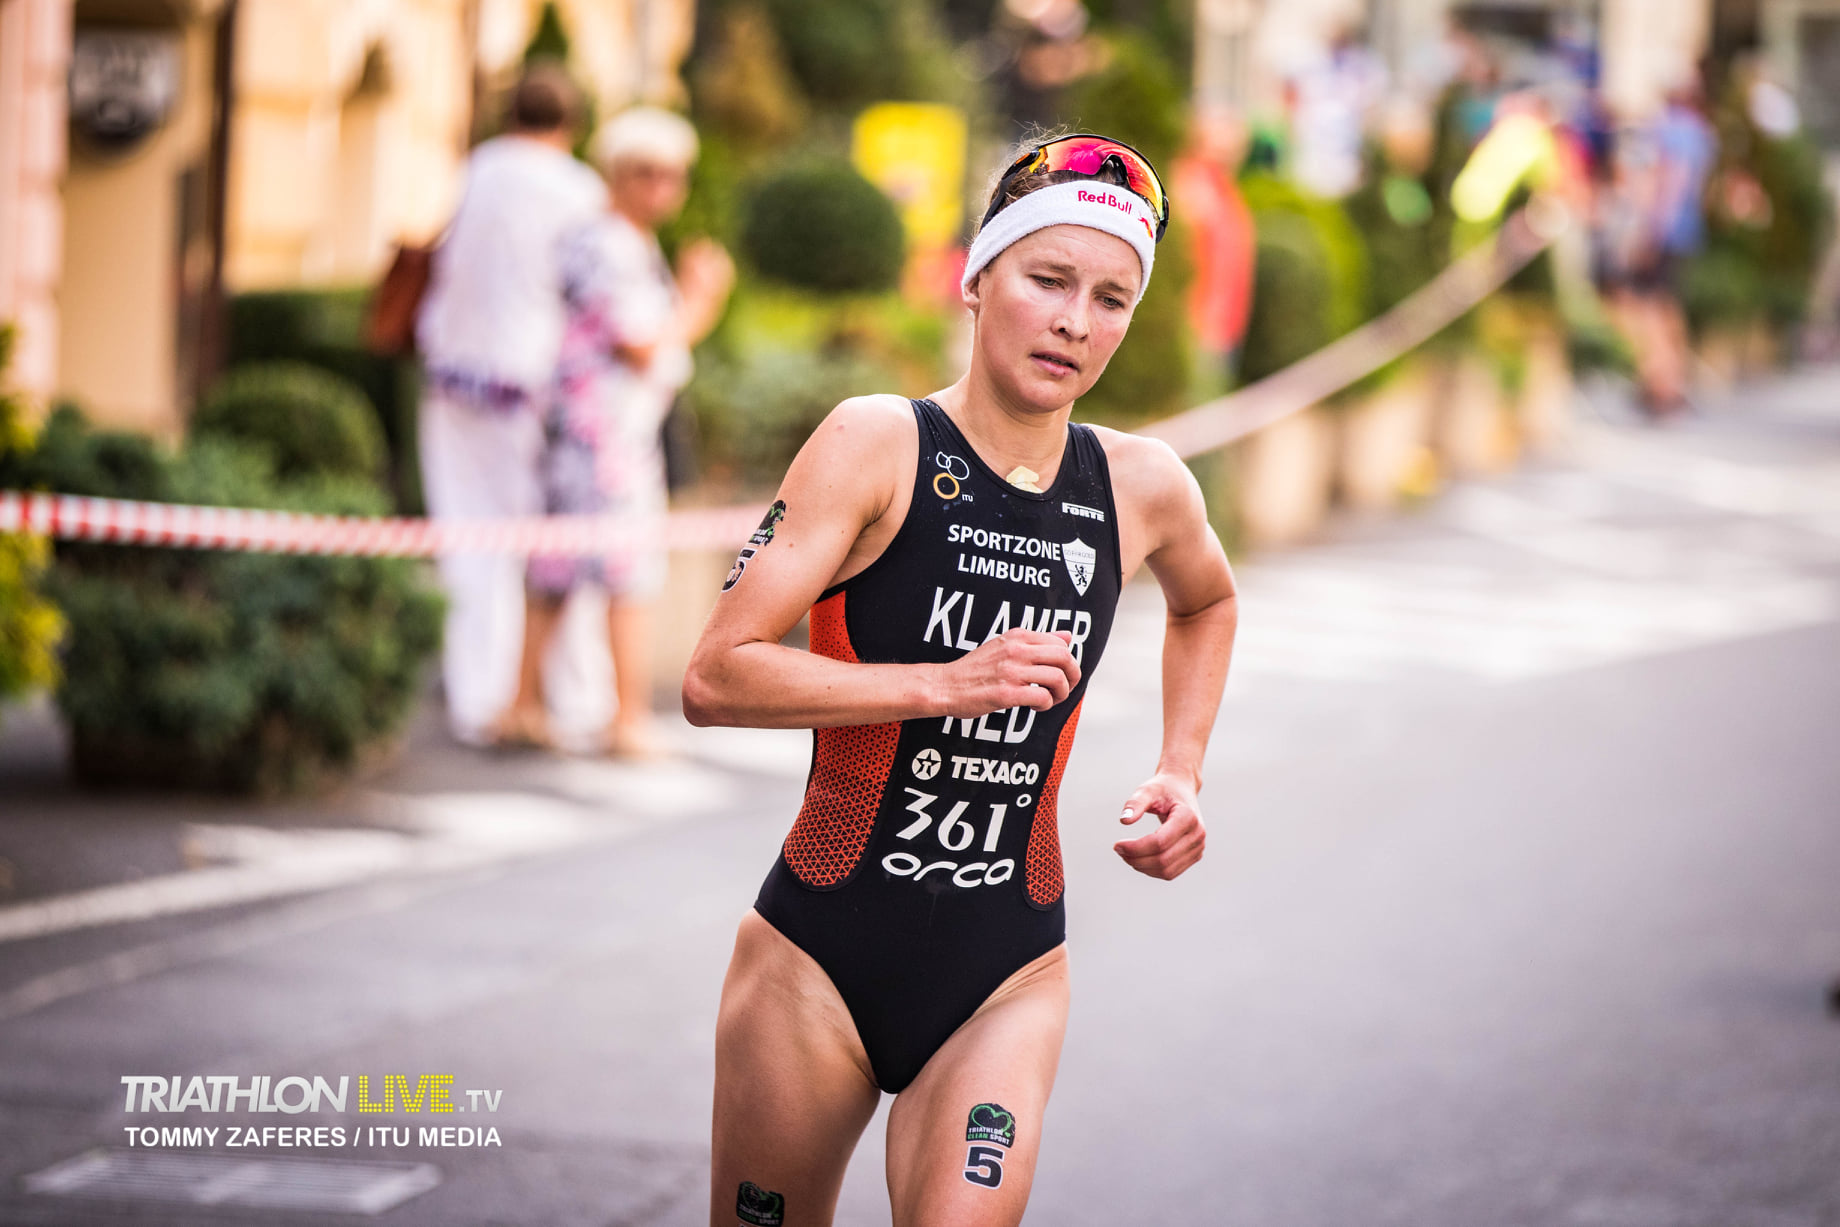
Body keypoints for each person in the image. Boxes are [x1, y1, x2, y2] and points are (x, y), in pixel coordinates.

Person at [683, 133, 1238, 1226]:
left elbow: (1207, 601)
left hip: (1006, 972)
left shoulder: (1142, 486)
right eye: (1048, 280)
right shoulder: (877, 444)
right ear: (977, 278)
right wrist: (943, 684)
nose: (1076, 322)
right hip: (815, 958)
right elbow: (715, 676)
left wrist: (1182, 767)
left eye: (1112, 299)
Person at [492, 108, 733, 756]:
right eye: (647, 173)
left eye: (673, 174)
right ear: (617, 174)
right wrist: (701, 299)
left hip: (600, 429)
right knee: (623, 573)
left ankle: (526, 706)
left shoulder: (622, 241)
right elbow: (642, 345)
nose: (663, 188)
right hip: (600, 435)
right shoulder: (605, 244)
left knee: (561, 566)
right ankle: (622, 717)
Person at [414, 66, 607, 745]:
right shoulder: (579, 187)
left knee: (467, 536)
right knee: (552, 543)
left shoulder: (476, 169)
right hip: (535, 388)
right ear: (572, 123)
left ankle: (478, 697)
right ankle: (567, 697)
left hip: (454, 376)